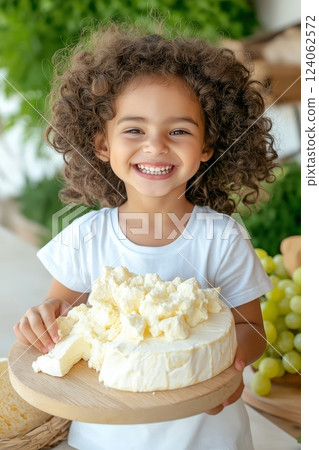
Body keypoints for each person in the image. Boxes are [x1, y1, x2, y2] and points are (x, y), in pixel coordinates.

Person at [14, 23, 278, 450]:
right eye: (134, 130)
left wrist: (226, 372)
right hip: (104, 435)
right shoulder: (84, 235)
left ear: (207, 145)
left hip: (206, 436)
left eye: (178, 131)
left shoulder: (221, 238)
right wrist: (41, 319)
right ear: (101, 143)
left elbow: (252, 328)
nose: (155, 146)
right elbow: (60, 318)